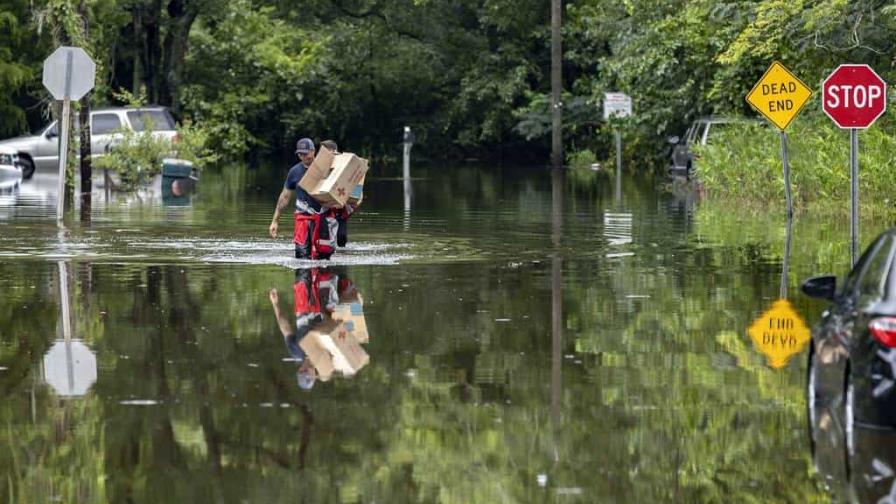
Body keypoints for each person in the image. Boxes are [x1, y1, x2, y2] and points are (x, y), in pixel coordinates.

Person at [269, 137, 339, 259]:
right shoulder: (294, 172)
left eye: (306, 153)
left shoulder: (326, 169)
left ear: (313, 151)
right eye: (300, 154)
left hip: (323, 219)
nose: (303, 157)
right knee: (301, 259)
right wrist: (275, 220)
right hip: (303, 220)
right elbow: (284, 197)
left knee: (323, 257)